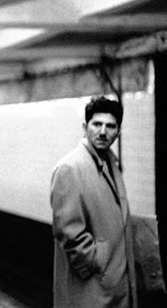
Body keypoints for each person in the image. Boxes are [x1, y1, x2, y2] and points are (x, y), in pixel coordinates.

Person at [50, 96, 137, 308]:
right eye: (96, 124)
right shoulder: (70, 168)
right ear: (85, 127)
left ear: (118, 132)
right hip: (92, 287)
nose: (103, 131)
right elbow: (68, 230)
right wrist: (97, 263)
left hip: (112, 282)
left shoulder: (110, 163)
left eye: (110, 126)